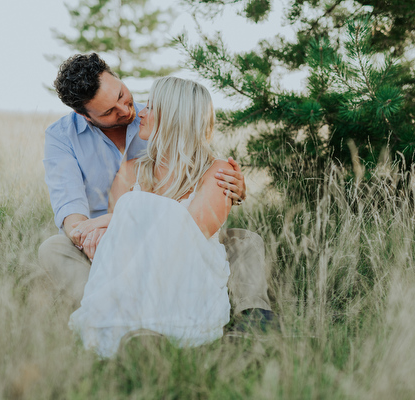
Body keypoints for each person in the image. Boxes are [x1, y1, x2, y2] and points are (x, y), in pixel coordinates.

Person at [38, 53, 275, 331]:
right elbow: (71, 210)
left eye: (123, 96)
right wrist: (89, 233)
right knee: (54, 248)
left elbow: (190, 222)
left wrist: (235, 187)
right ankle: (109, 309)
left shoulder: (162, 114)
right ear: (84, 115)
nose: (129, 112)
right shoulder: (64, 139)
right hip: (112, 244)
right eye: (108, 112)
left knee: (246, 241)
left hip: (184, 248)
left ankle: (255, 320)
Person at [69, 76, 237, 357]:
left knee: (133, 207)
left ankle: (155, 331)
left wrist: (105, 219)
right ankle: (138, 336)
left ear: (175, 116)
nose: (142, 112)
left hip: (190, 273)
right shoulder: (132, 170)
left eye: (153, 106)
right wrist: (106, 228)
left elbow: (189, 234)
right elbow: (121, 239)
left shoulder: (217, 171)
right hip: (132, 271)